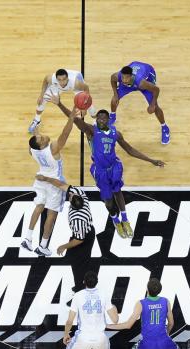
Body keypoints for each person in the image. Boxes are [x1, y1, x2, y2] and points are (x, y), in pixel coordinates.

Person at [50, 96, 165, 239]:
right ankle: (115, 220)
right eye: (99, 119)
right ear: (96, 120)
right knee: (109, 202)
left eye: (104, 119)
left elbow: (130, 150)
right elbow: (75, 119)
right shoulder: (91, 131)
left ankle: (124, 220)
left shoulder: (115, 133)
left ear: (109, 120)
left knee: (118, 192)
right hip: (100, 171)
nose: (101, 121)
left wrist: (151, 160)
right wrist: (60, 104)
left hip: (114, 167)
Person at [51, 271, 122, 349]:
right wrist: (114, 308)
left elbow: (69, 321)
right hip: (100, 336)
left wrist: (66, 334)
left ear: (84, 282)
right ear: (97, 282)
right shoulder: (103, 295)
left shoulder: (77, 296)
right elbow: (115, 320)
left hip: (83, 337)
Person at [22, 106, 79, 256]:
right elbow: (65, 134)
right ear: (42, 145)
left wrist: (36, 132)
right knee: (51, 215)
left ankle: (28, 239)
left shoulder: (33, 149)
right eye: (41, 138)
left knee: (39, 207)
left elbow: (34, 140)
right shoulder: (52, 148)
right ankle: (43, 246)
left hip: (40, 179)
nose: (44, 136)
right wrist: (71, 117)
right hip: (54, 182)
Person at [33, 174, 95, 300]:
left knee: (79, 265)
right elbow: (61, 185)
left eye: (70, 197)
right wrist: (46, 179)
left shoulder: (78, 219)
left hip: (84, 238)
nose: (70, 195)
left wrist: (63, 246)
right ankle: (82, 282)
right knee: (73, 259)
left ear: (72, 205)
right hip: (80, 234)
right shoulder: (80, 193)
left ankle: (80, 291)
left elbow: (79, 239)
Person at [109, 62, 170, 144]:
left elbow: (156, 90)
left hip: (148, 75)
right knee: (114, 100)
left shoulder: (141, 83)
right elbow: (112, 79)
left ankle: (165, 128)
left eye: (126, 78)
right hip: (134, 70)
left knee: (155, 107)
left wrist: (152, 104)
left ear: (131, 76)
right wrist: (115, 94)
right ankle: (112, 116)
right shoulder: (118, 76)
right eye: (122, 77)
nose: (123, 80)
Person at [28, 68, 96, 133]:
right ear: (56, 79)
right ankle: (37, 120)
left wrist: (85, 109)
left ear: (67, 78)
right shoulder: (52, 78)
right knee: (43, 99)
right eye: (59, 80)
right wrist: (41, 95)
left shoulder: (76, 83)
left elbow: (86, 88)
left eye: (64, 79)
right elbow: (46, 80)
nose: (62, 82)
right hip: (57, 87)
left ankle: (95, 121)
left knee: (88, 104)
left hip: (76, 79)